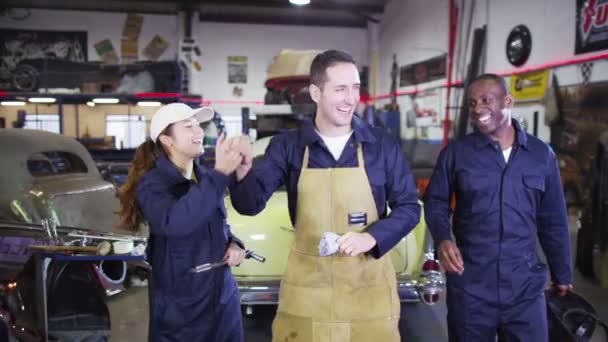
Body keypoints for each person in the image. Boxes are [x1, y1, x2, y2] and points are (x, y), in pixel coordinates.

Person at [229, 50, 421, 341]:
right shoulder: (288, 147)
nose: (350, 98)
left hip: (367, 289)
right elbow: (249, 205)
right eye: (340, 89)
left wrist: (372, 237)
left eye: (355, 88)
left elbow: (409, 206)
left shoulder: (380, 146)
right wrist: (242, 173)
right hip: (308, 293)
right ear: (316, 92)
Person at [423, 74, 573, 341]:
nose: (478, 109)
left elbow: (553, 219)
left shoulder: (540, 155)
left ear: (508, 101)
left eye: (486, 100)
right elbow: (435, 202)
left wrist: (562, 273)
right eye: (472, 103)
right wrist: (444, 239)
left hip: (524, 288)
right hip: (471, 286)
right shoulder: (457, 154)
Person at [116, 103, 247, 342]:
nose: (199, 132)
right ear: (167, 140)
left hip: (222, 300)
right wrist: (220, 175)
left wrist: (234, 244)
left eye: (198, 125)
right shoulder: (153, 185)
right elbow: (176, 223)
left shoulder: (205, 177)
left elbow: (220, 225)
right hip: (183, 309)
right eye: (188, 126)